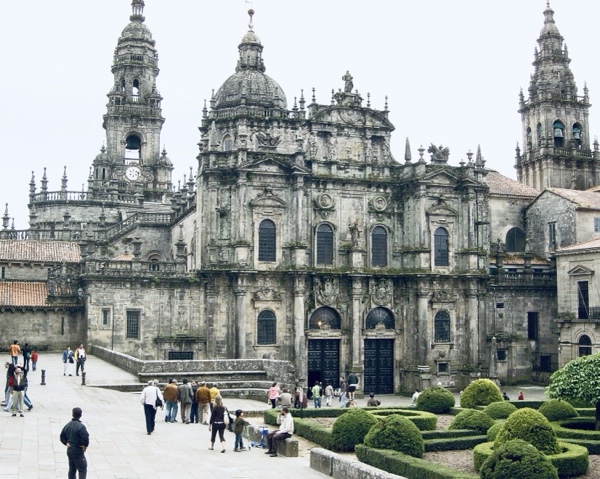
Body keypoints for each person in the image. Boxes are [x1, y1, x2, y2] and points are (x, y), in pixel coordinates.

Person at [60, 407, 89, 479]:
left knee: (72, 470)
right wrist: (84, 446)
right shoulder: (81, 427)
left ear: (72, 414)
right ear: (80, 415)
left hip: (70, 450)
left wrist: (66, 442)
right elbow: (85, 439)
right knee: (82, 469)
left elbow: (62, 436)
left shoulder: (68, 425)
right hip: (78, 451)